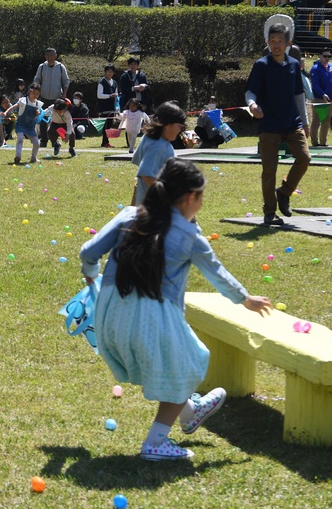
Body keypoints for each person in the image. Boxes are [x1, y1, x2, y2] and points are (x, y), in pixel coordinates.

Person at [79, 158, 272, 461]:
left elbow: (89, 252)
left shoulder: (130, 215)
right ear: (189, 197)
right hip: (151, 316)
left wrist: (90, 271)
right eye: (202, 196)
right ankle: (156, 442)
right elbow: (218, 274)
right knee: (192, 360)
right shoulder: (190, 236)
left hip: (110, 317)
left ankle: (191, 411)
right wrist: (246, 299)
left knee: (169, 362)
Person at [245, 18, 312, 226]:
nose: (276, 44)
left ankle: (284, 192)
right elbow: (250, 91)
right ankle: (269, 212)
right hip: (269, 125)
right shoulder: (261, 65)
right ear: (267, 42)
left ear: (287, 43)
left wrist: (306, 122)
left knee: (305, 158)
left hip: (293, 123)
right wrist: (252, 105)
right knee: (269, 171)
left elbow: (299, 95)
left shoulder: (293, 65)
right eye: (272, 40)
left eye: (280, 41)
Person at [130, 101, 185, 205]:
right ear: (167, 125)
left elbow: (141, 172)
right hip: (155, 210)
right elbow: (146, 173)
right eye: (179, 126)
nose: (180, 130)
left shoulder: (148, 138)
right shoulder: (157, 146)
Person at [33, 47, 70, 147]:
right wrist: (36, 93)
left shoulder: (61, 67)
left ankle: (54, 141)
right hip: (44, 98)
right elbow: (36, 80)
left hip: (57, 99)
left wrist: (64, 94)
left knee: (56, 121)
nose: (50, 57)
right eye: (48, 55)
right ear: (45, 56)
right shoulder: (41, 67)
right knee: (43, 120)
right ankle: (44, 141)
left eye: (52, 55)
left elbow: (66, 81)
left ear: (55, 56)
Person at [4, 83, 44, 164]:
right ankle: (18, 156)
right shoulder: (23, 100)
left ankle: (34, 157)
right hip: (21, 124)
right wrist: (5, 113)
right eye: (33, 93)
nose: (35, 95)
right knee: (20, 139)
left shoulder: (37, 104)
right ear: (30, 91)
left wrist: (38, 113)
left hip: (30, 127)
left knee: (37, 143)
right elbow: (14, 106)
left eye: (37, 94)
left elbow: (39, 113)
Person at [309, 49, 332, 147]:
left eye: (329, 57)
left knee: (326, 122)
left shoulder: (331, 67)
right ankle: (314, 143)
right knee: (316, 122)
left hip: (330, 100)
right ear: (320, 56)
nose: (327, 58)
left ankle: (323, 143)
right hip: (319, 99)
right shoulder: (315, 69)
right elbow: (315, 85)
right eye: (325, 56)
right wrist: (322, 94)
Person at [97, 65, 120, 148]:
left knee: (109, 124)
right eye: (108, 71)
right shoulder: (102, 82)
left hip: (112, 107)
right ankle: (105, 142)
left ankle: (106, 141)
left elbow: (116, 95)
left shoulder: (114, 82)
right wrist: (109, 96)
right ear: (105, 72)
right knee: (105, 125)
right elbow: (99, 95)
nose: (110, 73)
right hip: (104, 107)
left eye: (111, 71)